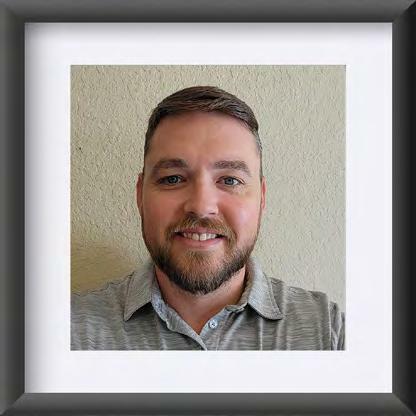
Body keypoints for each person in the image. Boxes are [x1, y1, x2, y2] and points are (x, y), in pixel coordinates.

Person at [71, 86, 345, 350]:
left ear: (262, 198)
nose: (201, 207)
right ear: (140, 195)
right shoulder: (68, 332)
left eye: (230, 180)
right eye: (173, 179)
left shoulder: (328, 332)